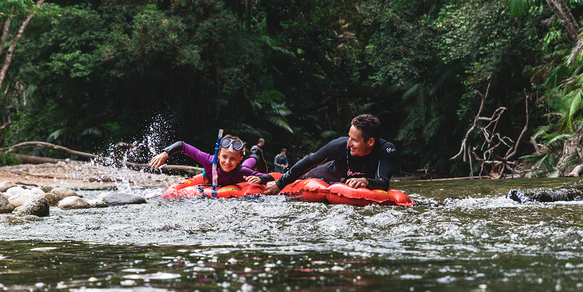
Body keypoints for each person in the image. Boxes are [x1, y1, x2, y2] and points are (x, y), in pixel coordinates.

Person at [264, 114, 398, 195]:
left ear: (370, 142)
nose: (349, 143)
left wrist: (366, 181)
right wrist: (280, 184)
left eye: (355, 140)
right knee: (305, 175)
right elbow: (309, 162)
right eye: (349, 137)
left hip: (350, 181)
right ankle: (266, 177)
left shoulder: (386, 150)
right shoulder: (339, 145)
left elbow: (383, 182)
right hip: (331, 172)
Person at [150, 134, 275, 186]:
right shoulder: (209, 160)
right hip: (211, 176)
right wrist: (165, 154)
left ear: (239, 159)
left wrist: (260, 178)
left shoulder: (242, 170)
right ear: (219, 155)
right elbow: (183, 145)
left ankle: (255, 153)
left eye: (232, 159)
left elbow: (270, 178)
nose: (227, 162)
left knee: (250, 163)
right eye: (224, 157)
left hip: (242, 170)